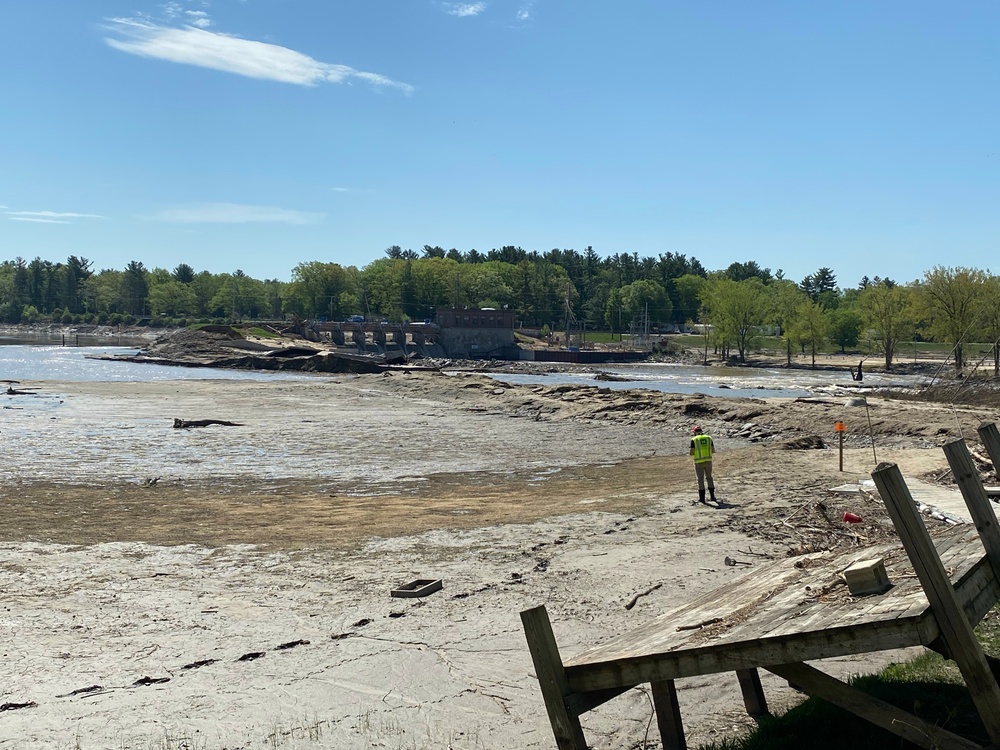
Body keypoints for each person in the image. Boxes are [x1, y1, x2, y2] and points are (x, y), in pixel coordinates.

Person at [690, 425, 716, 504]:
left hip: (698, 462)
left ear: (695, 432)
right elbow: (713, 450)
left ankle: (702, 499)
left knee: (700, 479)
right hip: (708, 460)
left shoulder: (694, 439)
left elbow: (691, 452)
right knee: (709, 478)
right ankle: (712, 496)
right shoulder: (709, 438)